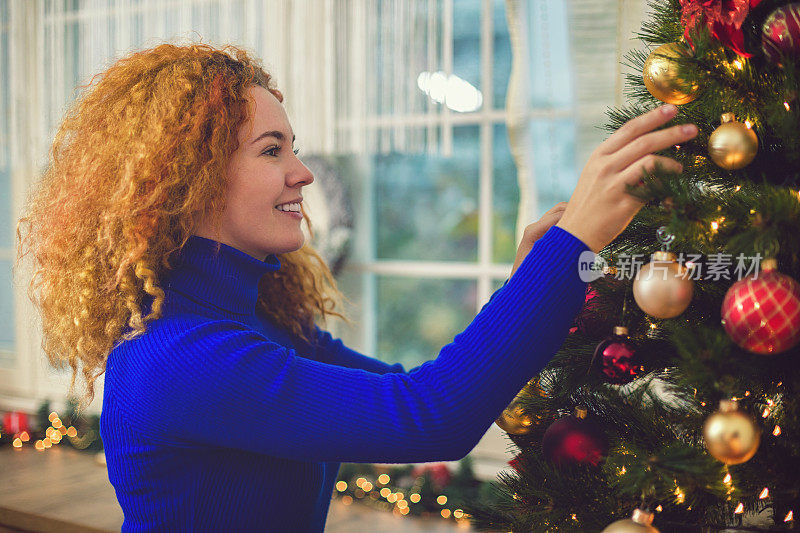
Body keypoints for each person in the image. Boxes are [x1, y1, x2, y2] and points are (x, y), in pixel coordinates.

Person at [14, 42, 698, 532]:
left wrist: (539, 275)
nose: (304, 172)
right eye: (272, 150)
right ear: (188, 182)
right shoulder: (181, 358)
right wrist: (572, 244)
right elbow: (432, 413)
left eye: (294, 147)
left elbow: (419, 393)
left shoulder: (260, 324)